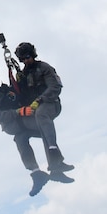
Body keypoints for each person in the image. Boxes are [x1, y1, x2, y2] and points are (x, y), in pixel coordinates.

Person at [0, 59, 53, 196]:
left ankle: (36, 173)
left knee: (21, 138)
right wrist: (19, 112)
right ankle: (54, 162)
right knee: (43, 127)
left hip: (18, 122)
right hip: (12, 123)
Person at [15, 42, 74, 182]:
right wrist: (18, 84)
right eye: (22, 59)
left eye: (27, 57)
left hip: (51, 104)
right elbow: (23, 96)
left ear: (33, 55)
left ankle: (53, 150)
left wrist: (40, 100)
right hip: (36, 111)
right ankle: (55, 169)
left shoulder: (45, 68)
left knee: (41, 114)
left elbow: (55, 87)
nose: (25, 61)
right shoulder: (24, 74)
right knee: (31, 128)